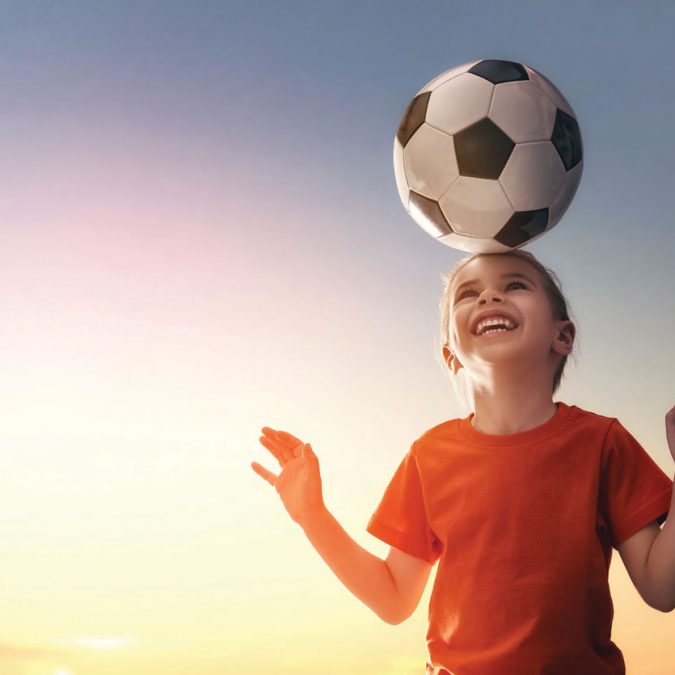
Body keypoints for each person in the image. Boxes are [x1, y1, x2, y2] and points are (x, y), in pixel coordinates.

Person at [251, 249, 675, 675]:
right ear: (450, 354)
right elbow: (394, 598)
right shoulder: (428, 455)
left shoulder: (602, 443)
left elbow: (661, 587)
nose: (489, 297)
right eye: (468, 294)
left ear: (562, 336)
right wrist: (312, 515)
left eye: (514, 285)